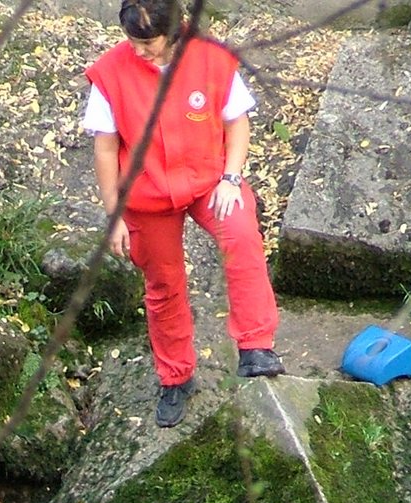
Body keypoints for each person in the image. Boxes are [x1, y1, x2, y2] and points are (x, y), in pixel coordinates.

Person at [83, 0, 283, 429]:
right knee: (163, 282)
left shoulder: (211, 57)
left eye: (148, 43)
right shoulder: (110, 73)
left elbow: (237, 122)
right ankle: (175, 376)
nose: (139, 51)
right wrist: (113, 213)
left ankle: (256, 346)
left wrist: (232, 177)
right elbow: (104, 148)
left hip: (209, 180)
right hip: (146, 193)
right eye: (132, 42)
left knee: (243, 234)